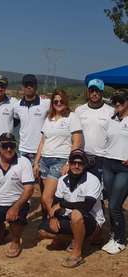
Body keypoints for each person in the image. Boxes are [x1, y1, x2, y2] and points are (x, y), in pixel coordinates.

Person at [39, 149, 105, 268]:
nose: (76, 165)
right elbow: (56, 203)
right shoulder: (62, 180)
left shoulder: (93, 180)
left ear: (85, 165)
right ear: (68, 163)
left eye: (80, 163)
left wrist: (64, 204)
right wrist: (54, 217)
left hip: (91, 220)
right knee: (43, 231)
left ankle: (77, 253)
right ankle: (77, 238)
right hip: (70, 218)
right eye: (73, 162)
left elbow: (87, 206)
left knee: (76, 214)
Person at [33, 89, 83, 218]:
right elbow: (43, 142)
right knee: (50, 197)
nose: (58, 103)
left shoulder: (72, 117)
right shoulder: (49, 118)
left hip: (59, 160)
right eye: (55, 101)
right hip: (45, 160)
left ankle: (58, 224)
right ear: (52, 103)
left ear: (65, 101)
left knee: (46, 198)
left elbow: (77, 142)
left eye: (61, 100)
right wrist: (36, 162)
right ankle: (52, 220)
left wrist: (69, 162)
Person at [101, 91, 128, 255]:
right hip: (108, 164)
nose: (117, 104)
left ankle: (120, 240)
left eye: (121, 101)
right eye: (115, 102)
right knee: (111, 203)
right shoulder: (111, 120)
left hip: (124, 168)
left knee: (115, 205)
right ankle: (113, 234)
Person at [75, 79, 114, 181]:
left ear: (102, 92)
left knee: (98, 191)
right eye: (92, 91)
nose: (94, 94)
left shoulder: (111, 111)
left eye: (97, 91)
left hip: (102, 157)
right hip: (82, 155)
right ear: (88, 92)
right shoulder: (79, 110)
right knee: (80, 188)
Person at [14, 74, 50, 163]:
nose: (29, 87)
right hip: (22, 150)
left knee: (38, 176)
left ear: (36, 86)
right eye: (26, 85)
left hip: (41, 150)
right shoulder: (17, 106)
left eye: (32, 85)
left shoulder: (46, 103)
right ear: (22, 87)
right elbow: (13, 121)